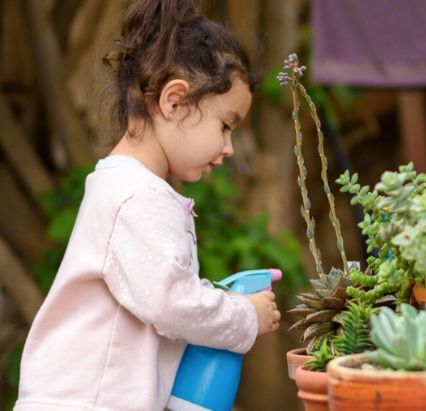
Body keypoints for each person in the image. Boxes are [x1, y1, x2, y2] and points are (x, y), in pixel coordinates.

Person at [15, 0, 280, 409]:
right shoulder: (137, 197)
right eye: (225, 125)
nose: (228, 148)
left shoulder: (128, 187)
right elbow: (170, 303)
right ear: (174, 101)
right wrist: (244, 317)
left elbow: (162, 290)